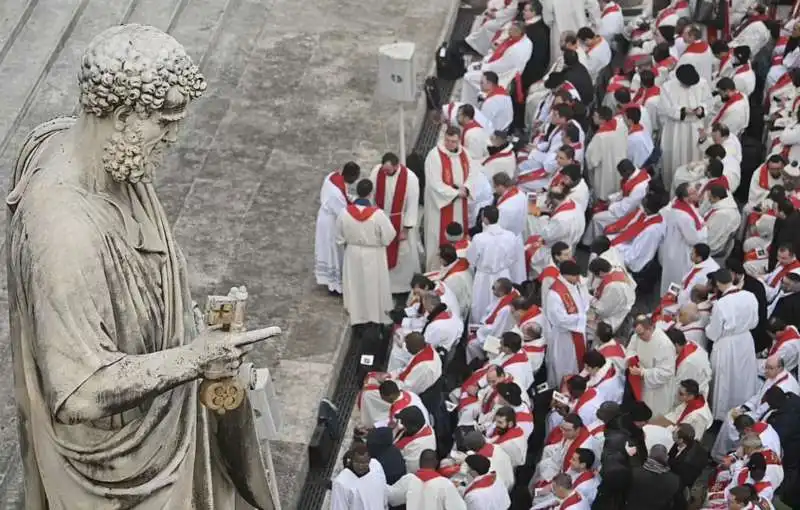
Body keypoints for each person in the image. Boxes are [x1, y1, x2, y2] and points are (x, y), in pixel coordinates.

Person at [3, 25, 286, 507]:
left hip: (154, 414)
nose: (175, 136)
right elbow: (77, 395)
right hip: (120, 465)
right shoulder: (62, 231)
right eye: (165, 120)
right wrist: (195, 358)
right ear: (117, 115)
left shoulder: (70, 144)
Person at [711, 354, 800, 461]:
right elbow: (759, 396)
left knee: (733, 422)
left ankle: (726, 454)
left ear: (780, 368)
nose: (766, 371)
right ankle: (721, 453)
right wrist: (745, 407)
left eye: (770, 368)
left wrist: (747, 415)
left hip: (765, 418)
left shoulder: (783, 387)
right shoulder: (774, 376)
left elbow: (767, 409)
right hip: (757, 410)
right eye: (766, 367)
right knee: (731, 414)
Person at [337, 179, 396, 326]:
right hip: (374, 253)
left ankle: (357, 313)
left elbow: (338, 236)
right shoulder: (378, 215)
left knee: (355, 284)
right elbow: (389, 235)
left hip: (353, 252)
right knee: (374, 284)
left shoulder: (344, 213)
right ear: (371, 194)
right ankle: (375, 315)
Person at [708, 269, 760, 420]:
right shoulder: (750, 296)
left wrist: (706, 327)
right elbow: (755, 321)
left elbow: (714, 333)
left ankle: (722, 414)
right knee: (743, 377)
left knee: (726, 379)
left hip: (726, 344)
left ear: (717, 284)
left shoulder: (721, 303)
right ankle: (744, 410)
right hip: (745, 340)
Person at [424, 126, 476, 271]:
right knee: (437, 239)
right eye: (447, 140)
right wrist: (455, 193)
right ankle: (434, 270)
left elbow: (473, 173)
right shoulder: (434, 156)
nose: (450, 144)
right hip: (440, 207)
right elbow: (434, 183)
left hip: (460, 205)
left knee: (457, 235)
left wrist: (466, 188)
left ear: (459, 140)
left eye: (453, 141)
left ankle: (457, 268)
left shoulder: (465, 154)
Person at [370, 152, 421, 295]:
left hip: (399, 220)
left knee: (402, 254)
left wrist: (406, 228)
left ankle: (400, 287)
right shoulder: (377, 171)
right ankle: (381, 284)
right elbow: (371, 195)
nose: (385, 173)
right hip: (380, 218)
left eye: (389, 170)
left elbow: (412, 205)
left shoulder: (410, 178)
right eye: (384, 170)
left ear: (397, 166)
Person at [659, 64, 713, 190]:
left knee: (694, 155)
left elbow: (709, 102)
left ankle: (694, 187)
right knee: (676, 156)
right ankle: (674, 186)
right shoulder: (668, 87)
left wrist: (702, 109)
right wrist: (683, 111)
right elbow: (665, 108)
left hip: (695, 127)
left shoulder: (702, 84)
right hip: (676, 129)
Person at [466, 207, 522, 321]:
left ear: (484, 219)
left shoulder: (479, 238)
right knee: (504, 305)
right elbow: (514, 257)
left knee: (481, 304)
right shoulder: (510, 236)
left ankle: (479, 328)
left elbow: (471, 259)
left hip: (483, 277)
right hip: (503, 274)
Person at [461, 23, 532, 108]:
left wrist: (482, 66)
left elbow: (500, 67)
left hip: (503, 75)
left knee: (468, 77)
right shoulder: (526, 41)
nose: (509, 31)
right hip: (499, 66)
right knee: (472, 67)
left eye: (511, 30)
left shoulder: (516, 50)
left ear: (518, 32)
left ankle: (469, 104)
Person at [315, 161, 360, 294]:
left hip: (326, 217)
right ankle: (334, 285)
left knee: (331, 250)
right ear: (351, 177)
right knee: (333, 251)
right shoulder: (336, 193)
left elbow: (344, 196)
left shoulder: (332, 176)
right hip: (330, 222)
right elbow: (343, 213)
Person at [545, 260, 590, 386]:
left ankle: (577, 384)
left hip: (578, 332)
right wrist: (583, 318)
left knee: (577, 362)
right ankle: (563, 387)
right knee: (564, 365)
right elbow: (559, 319)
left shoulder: (573, 284)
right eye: (575, 276)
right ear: (566, 275)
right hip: (564, 337)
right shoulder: (555, 293)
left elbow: (582, 301)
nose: (578, 278)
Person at [659, 183, 707, 295]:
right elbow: (693, 239)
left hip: (675, 246)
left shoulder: (682, 204)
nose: (697, 193)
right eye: (693, 192)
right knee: (679, 279)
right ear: (686, 197)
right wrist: (705, 230)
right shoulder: (683, 216)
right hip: (680, 252)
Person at [527, 189, 586, 276]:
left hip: (552, 250)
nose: (548, 203)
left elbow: (546, 235)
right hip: (570, 243)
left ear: (554, 200)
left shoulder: (560, 219)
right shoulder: (575, 204)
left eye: (549, 200)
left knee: (528, 253)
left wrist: (543, 219)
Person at [627, 315, 677, 416]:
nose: (639, 337)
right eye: (637, 334)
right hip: (642, 383)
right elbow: (631, 350)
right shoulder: (637, 336)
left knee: (655, 414)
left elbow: (667, 372)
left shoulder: (664, 345)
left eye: (641, 334)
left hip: (658, 389)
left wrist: (643, 372)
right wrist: (634, 361)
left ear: (650, 328)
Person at [388, 449, 467, 510]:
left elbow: (392, 498)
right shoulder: (445, 484)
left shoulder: (408, 480)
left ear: (419, 462)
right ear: (436, 463)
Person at [727, 258, 770, 352]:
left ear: (736, 273)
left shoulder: (755, 286)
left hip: (752, 333)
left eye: (729, 274)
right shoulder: (727, 284)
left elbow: (759, 313)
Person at [586, 106, 629, 201]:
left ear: (602, 119)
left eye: (595, 116)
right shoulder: (621, 126)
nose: (593, 117)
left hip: (605, 171)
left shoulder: (599, 137)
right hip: (620, 165)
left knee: (605, 192)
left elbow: (592, 161)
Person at [625, 445, 684, 510]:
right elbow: (679, 503)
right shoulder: (674, 480)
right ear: (666, 458)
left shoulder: (633, 473)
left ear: (649, 456)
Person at [331, 443, 388, 510]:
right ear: (352, 460)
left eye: (364, 463)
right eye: (357, 462)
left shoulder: (376, 466)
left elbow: (383, 491)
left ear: (369, 460)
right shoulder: (341, 483)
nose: (360, 466)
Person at [587, 257, 636, 335]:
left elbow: (603, 310)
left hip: (616, 313)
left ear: (600, 273)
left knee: (587, 324)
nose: (595, 277)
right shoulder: (617, 269)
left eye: (595, 275)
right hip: (626, 298)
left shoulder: (612, 287)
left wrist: (590, 300)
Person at [669, 327, 712, 394]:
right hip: (699, 381)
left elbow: (679, 390)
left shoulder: (687, 363)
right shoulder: (690, 343)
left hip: (695, 394)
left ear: (676, 345)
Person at [393, 407, 437, 473]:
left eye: (403, 422)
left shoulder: (419, 446)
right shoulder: (420, 427)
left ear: (412, 427)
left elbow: (409, 470)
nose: (401, 423)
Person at [668, 422, 709, 490]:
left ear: (681, 440)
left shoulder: (685, 462)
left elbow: (681, 480)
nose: (672, 432)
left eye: (674, 433)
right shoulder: (689, 442)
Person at [704, 184, 740, 256]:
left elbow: (711, 239)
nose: (708, 199)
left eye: (710, 197)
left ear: (717, 198)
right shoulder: (725, 203)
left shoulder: (722, 215)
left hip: (714, 247)